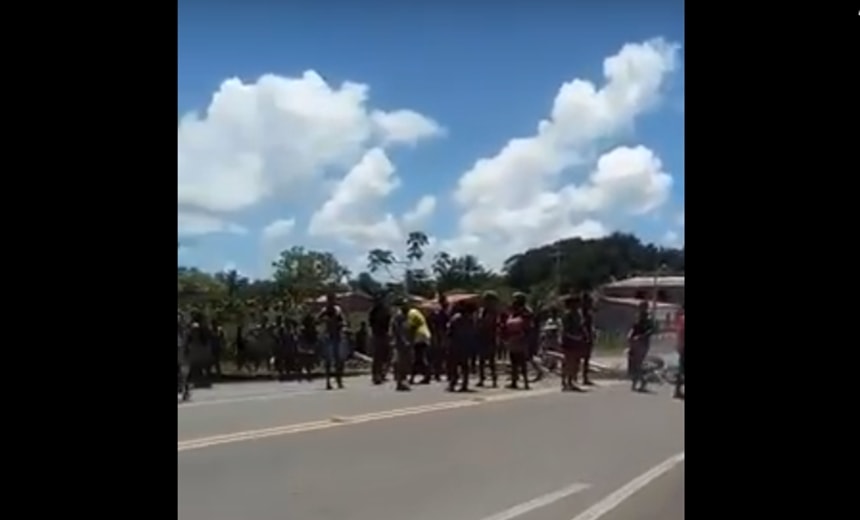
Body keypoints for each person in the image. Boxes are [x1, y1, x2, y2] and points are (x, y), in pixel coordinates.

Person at [317, 293, 347, 390]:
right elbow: (317, 320)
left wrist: (340, 324)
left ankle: (339, 380)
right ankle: (328, 381)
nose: (331, 301)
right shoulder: (324, 311)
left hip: (337, 337)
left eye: (332, 299)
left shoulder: (338, 310)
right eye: (329, 300)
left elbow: (343, 322)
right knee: (328, 361)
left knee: (340, 360)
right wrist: (325, 322)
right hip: (328, 337)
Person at [504, 292, 533, 390]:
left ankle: (525, 382)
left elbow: (528, 325)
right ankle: (514, 381)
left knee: (521, 361)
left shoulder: (526, 311)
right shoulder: (514, 311)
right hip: (513, 337)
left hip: (521, 337)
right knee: (514, 361)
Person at [447, 300, 477, 392]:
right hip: (466, 344)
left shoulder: (456, 318)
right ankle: (464, 384)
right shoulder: (471, 319)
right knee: (464, 365)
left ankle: (453, 383)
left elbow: (449, 331)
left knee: (454, 365)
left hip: (456, 343)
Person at [628, 301, 655, 392]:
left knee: (638, 363)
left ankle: (642, 380)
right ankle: (636, 381)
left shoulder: (649, 319)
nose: (641, 309)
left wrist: (641, 336)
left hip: (643, 343)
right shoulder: (637, 317)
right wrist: (630, 335)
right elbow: (633, 328)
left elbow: (651, 331)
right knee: (633, 363)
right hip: (634, 342)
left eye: (642, 307)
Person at [403, 299, 433, 385]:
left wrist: (409, 340)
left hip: (419, 336)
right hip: (424, 335)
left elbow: (411, 327)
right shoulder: (416, 312)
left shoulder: (411, 313)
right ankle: (426, 376)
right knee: (420, 357)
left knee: (418, 357)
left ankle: (416, 377)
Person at [561, 295, 586, 392]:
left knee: (575, 361)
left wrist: (583, 335)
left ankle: (571, 381)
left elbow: (580, 326)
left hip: (577, 340)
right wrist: (574, 336)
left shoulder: (578, 315)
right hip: (569, 340)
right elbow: (565, 329)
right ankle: (565, 381)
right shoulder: (567, 315)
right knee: (568, 361)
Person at [476, 291, 501, 388]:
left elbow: (494, 325)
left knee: (491, 361)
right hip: (482, 337)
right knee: (481, 360)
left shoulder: (494, 312)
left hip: (491, 337)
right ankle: (482, 379)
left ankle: (494, 379)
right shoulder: (482, 311)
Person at [368, 292, 392, 385]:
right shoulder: (374, 311)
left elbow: (389, 323)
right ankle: (376, 375)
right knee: (377, 356)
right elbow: (370, 324)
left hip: (385, 334)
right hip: (377, 335)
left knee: (385, 355)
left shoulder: (386, 310)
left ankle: (382, 374)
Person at [391, 299, 414, 391]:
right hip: (401, 343)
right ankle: (401, 381)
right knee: (401, 362)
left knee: (407, 362)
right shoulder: (399, 316)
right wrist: (403, 340)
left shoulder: (406, 316)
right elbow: (398, 330)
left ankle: (403, 380)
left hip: (407, 342)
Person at [428, 294, 450, 382]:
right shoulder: (442, 313)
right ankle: (438, 373)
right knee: (440, 355)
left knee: (440, 356)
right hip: (440, 335)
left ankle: (439, 373)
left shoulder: (440, 313)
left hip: (440, 335)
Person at [579, 292, 596, 386]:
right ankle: (582, 377)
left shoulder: (587, 313)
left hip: (586, 336)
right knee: (580, 358)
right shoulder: (583, 314)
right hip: (583, 338)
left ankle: (584, 377)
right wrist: (587, 335)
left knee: (586, 358)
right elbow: (583, 326)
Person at [674, 305, 685, 399]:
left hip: (682, 347)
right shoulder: (683, 319)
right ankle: (677, 391)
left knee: (681, 370)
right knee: (681, 370)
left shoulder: (681, 319)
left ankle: (677, 390)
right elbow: (681, 333)